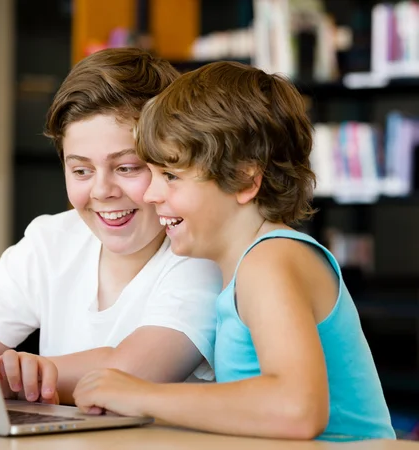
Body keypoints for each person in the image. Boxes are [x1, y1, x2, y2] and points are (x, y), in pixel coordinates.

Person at [72, 61, 396, 441]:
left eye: (171, 176)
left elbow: (297, 410)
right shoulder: (247, 267)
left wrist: (142, 395)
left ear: (245, 179)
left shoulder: (271, 261)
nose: (149, 193)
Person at [0, 48, 223, 406]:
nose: (102, 191)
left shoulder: (201, 255)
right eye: (81, 171)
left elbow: (127, 375)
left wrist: (21, 377)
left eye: (127, 167)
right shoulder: (51, 240)